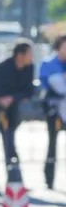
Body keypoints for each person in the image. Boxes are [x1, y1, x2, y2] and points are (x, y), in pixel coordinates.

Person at [0, 39, 36, 190]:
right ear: (20, 55)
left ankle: (15, 181)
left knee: (10, 144)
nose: (31, 57)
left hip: (12, 110)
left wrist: (12, 98)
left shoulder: (29, 68)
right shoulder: (2, 67)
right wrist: (2, 99)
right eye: (29, 53)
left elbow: (29, 91)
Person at [38, 35, 66, 189]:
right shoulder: (48, 63)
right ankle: (49, 178)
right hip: (54, 109)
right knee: (52, 142)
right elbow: (43, 86)